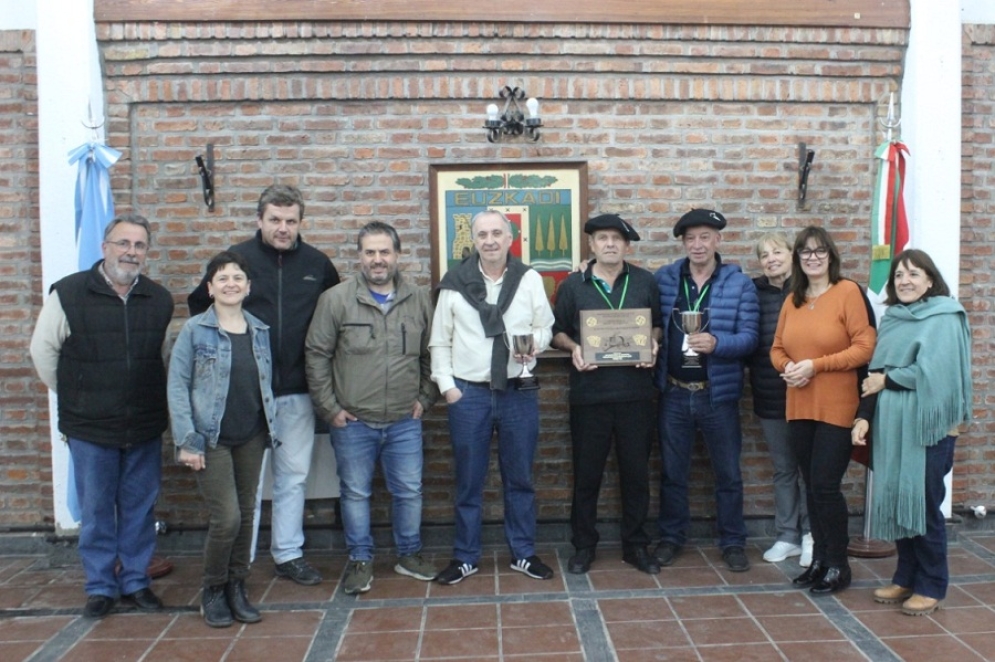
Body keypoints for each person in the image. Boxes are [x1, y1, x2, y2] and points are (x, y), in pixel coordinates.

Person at [189, 184, 339, 586]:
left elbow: (332, 321)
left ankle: (288, 554)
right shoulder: (236, 261)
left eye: (291, 221)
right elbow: (198, 308)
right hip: (245, 394)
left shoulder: (318, 264)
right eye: (275, 220)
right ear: (260, 220)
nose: (283, 228)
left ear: (301, 222)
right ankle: (242, 558)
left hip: (297, 390)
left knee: (293, 477)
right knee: (247, 483)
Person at [30, 214, 174, 619]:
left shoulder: (158, 299)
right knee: (96, 510)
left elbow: (161, 358)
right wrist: (77, 393)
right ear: (104, 246)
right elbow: (43, 354)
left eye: (139, 245)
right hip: (90, 427)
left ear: (146, 252)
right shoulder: (70, 294)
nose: (131, 252)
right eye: (123, 243)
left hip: (143, 423)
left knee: (139, 507)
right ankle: (100, 586)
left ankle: (135, 580)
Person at [305, 222, 439, 595]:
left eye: (384, 252)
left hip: (404, 419)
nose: (377, 260)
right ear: (359, 256)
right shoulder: (335, 300)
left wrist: (425, 398)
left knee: (410, 491)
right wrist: (330, 408)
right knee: (355, 493)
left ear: (397, 255)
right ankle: (360, 559)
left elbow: (434, 353)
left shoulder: (418, 299)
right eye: (370, 252)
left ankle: (409, 554)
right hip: (352, 421)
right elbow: (316, 355)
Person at [429, 209, 555, 585]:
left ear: (510, 237)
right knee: (469, 481)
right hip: (469, 395)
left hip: (518, 392)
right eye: (482, 234)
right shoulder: (454, 283)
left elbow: (545, 327)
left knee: (520, 478)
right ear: (474, 240)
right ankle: (465, 556)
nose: (490, 241)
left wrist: (533, 346)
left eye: (497, 233)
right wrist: (448, 388)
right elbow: (439, 339)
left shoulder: (529, 279)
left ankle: (523, 553)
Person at [853, 249, 971, 616]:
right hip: (892, 428)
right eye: (899, 275)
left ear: (930, 280)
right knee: (898, 500)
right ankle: (906, 576)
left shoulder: (946, 318)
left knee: (923, 506)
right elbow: (874, 376)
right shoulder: (893, 320)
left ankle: (932, 584)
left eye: (913, 274)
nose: (905, 281)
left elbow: (937, 376)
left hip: (929, 430)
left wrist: (888, 379)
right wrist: (864, 417)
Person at [169, 251, 276, 628]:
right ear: (210, 288)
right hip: (210, 438)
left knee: (247, 516)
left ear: (247, 287)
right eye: (222, 278)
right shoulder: (194, 331)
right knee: (226, 518)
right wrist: (187, 440)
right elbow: (178, 387)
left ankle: (237, 585)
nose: (231, 283)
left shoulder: (260, 330)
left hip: (251, 435)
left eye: (237, 277)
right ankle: (212, 588)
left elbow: (264, 386)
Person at [551, 214, 663, 575]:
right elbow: (557, 331)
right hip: (590, 396)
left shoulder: (645, 281)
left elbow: (658, 325)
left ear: (627, 246)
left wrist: (653, 344)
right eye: (602, 238)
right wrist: (574, 349)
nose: (610, 244)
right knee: (587, 476)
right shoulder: (573, 286)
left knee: (636, 475)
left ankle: (636, 546)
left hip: (636, 396)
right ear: (592, 245)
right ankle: (584, 546)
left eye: (617, 238)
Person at [770, 225, 876, 595]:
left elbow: (864, 347)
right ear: (798, 259)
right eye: (805, 252)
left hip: (837, 406)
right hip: (799, 405)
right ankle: (818, 560)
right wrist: (788, 368)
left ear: (830, 255)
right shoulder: (792, 298)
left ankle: (838, 564)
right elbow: (777, 347)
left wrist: (815, 365)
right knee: (810, 487)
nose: (812, 257)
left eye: (819, 251)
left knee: (826, 487)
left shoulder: (847, 293)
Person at [653, 209, 759, 572]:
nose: (697, 245)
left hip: (718, 394)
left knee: (728, 473)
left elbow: (750, 338)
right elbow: (648, 325)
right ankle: (670, 537)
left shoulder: (739, 284)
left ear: (718, 240)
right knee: (672, 472)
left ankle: (733, 541)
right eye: (690, 238)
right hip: (674, 392)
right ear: (683, 243)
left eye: (704, 237)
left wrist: (718, 343)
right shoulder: (665, 279)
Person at [749, 232, 812, 567]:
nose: (771, 259)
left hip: (809, 391)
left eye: (777, 252)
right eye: (764, 255)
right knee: (784, 468)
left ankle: (813, 535)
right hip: (770, 394)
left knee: (812, 469)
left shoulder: (810, 289)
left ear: (792, 255)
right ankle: (787, 535)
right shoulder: (753, 292)